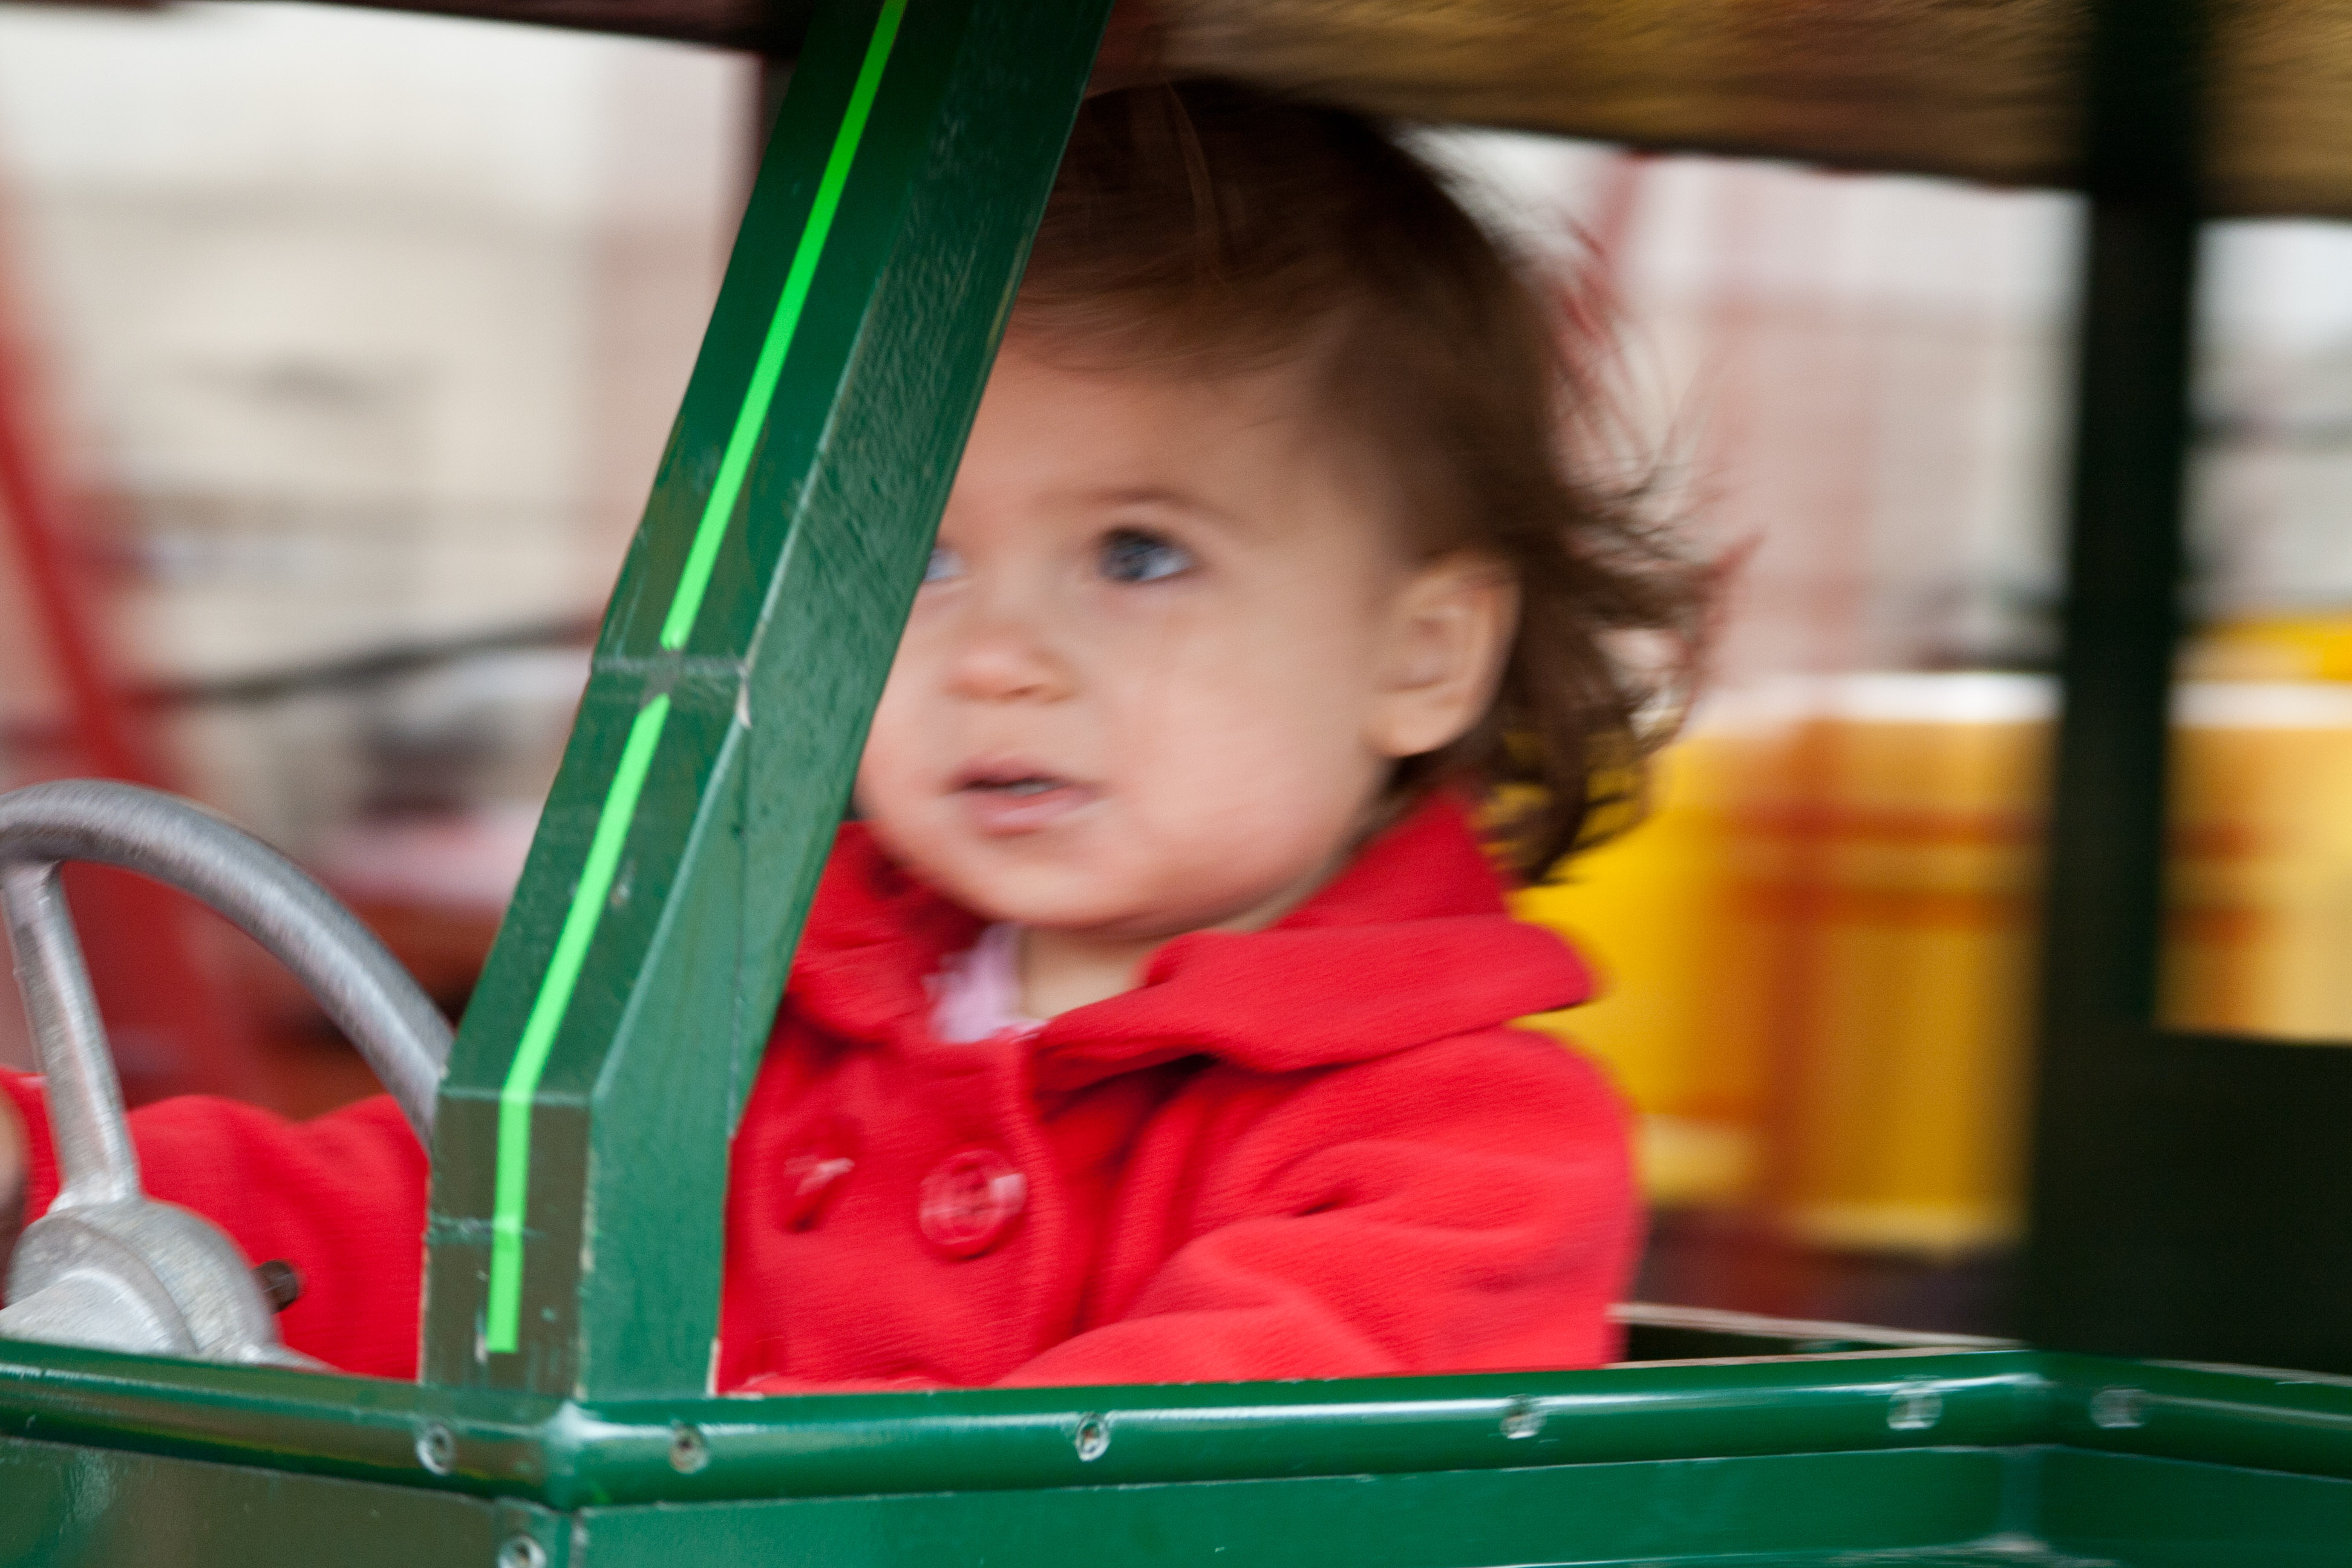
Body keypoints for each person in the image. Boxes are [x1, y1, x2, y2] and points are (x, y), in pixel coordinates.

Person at [0, 80, 1701, 1387]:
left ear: (1422, 656)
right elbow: (440, 1209)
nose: (997, 660)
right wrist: (51, 1177)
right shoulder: (748, 1017)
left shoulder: (1466, 1146)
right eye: (923, 562)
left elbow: (1201, 1470)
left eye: (1139, 555)